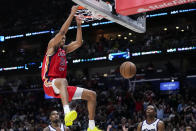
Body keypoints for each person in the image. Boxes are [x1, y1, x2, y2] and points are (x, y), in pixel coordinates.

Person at [41, 5, 101, 131]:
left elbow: (79, 43)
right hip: (49, 83)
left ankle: (91, 127)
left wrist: (79, 25)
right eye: (61, 37)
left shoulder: (64, 49)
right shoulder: (51, 48)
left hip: (61, 87)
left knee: (92, 95)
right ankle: (67, 112)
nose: (63, 38)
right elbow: (62, 32)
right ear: (55, 39)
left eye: (64, 38)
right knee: (63, 81)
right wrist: (72, 14)